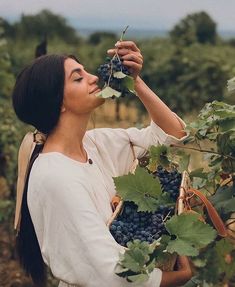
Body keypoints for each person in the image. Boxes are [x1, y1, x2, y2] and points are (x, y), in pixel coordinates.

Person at [12, 40, 192, 287]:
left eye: (86, 71)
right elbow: (107, 271)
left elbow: (172, 138)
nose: (94, 78)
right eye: (78, 78)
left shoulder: (95, 144)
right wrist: (176, 278)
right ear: (58, 102)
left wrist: (135, 81)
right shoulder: (56, 177)